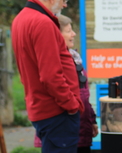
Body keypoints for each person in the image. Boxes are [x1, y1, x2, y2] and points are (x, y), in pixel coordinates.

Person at [12, 0, 85, 152]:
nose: (64, 5)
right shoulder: (42, 23)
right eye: (64, 0)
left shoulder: (21, 18)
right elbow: (51, 75)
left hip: (42, 107)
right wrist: (71, 105)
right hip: (56, 111)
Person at [35, 15, 99, 152]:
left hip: (82, 129)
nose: (74, 34)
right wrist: (73, 108)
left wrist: (92, 120)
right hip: (65, 129)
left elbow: (83, 94)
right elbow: (55, 88)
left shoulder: (75, 59)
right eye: (69, 31)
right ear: (56, 35)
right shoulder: (54, 61)